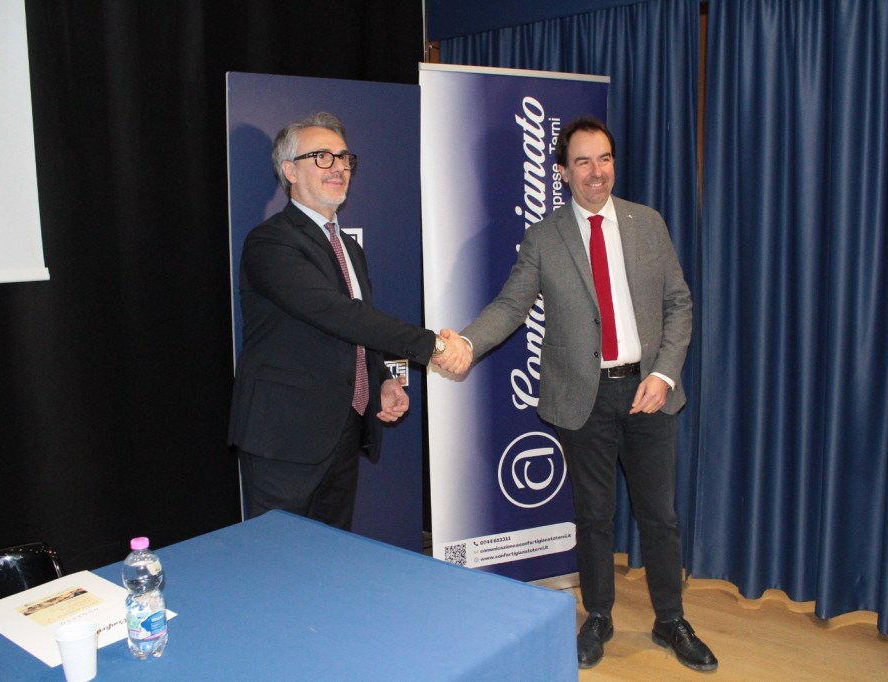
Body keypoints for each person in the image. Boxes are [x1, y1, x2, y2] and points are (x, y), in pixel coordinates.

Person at [458, 117, 716, 672]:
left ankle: (670, 619)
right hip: (584, 398)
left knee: (660, 517)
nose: (596, 172)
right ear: (562, 172)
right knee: (594, 516)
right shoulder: (544, 238)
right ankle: (597, 615)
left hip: (649, 392)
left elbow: (679, 304)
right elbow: (509, 306)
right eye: (582, 161)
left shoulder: (647, 224)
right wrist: (465, 344)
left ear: (613, 165)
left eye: (604, 159)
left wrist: (664, 373)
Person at [228, 112, 470, 531]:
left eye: (343, 157)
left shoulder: (347, 248)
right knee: (279, 565)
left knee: (333, 560)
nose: (339, 167)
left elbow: (354, 332)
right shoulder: (270, 242)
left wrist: (380, 381)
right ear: (289, 170)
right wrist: (435, 346)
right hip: (284, 438)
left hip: (340, 432)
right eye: (322, 157)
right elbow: (336, 313)